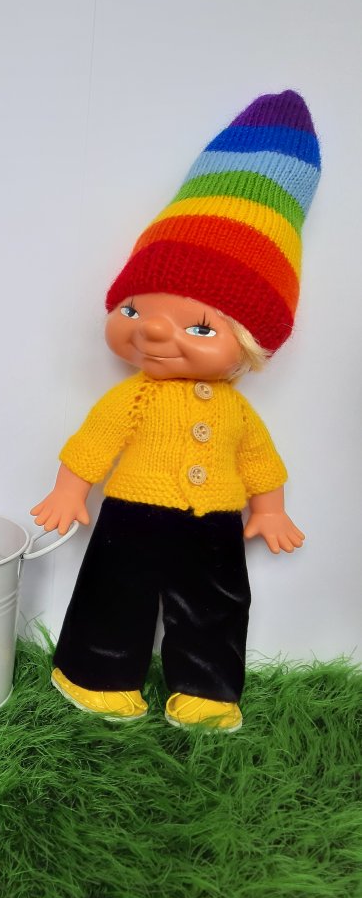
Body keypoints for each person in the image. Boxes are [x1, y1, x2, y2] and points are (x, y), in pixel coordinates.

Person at [32, 90, 320, 732]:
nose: (153, 332)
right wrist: (70, 490)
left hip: (216, 521)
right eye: (134, 309)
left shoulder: (237, 411)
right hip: (131, 511)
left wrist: (269, 508)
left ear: (251, 343)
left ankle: (209, 689)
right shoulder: (134, 395)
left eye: (199, 326)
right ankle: (94, 674)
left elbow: (258, 458)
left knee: (216, 605)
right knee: (114, 592)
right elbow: (96, 439)